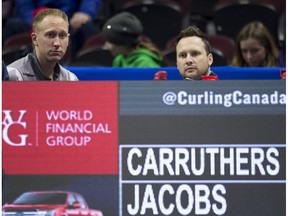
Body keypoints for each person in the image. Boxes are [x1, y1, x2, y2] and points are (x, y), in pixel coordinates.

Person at [3, 0, 102, 62]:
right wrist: (39, 21)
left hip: (70, 20)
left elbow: (90, 2)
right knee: (11, 25)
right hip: (36, 19)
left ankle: (88, 70)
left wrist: (85, 12)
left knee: (87, 28)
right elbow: (24, 5)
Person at [7, 8, 78, 81]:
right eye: (50, 35)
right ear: (34, 39)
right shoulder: (13, 76)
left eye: (62, 35)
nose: (57, 43)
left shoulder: (71, 79)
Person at [102, 11, 168, 67]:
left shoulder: (146, 63)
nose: (106, 47)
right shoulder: (119, 60)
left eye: (110, 42)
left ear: (123, 43)